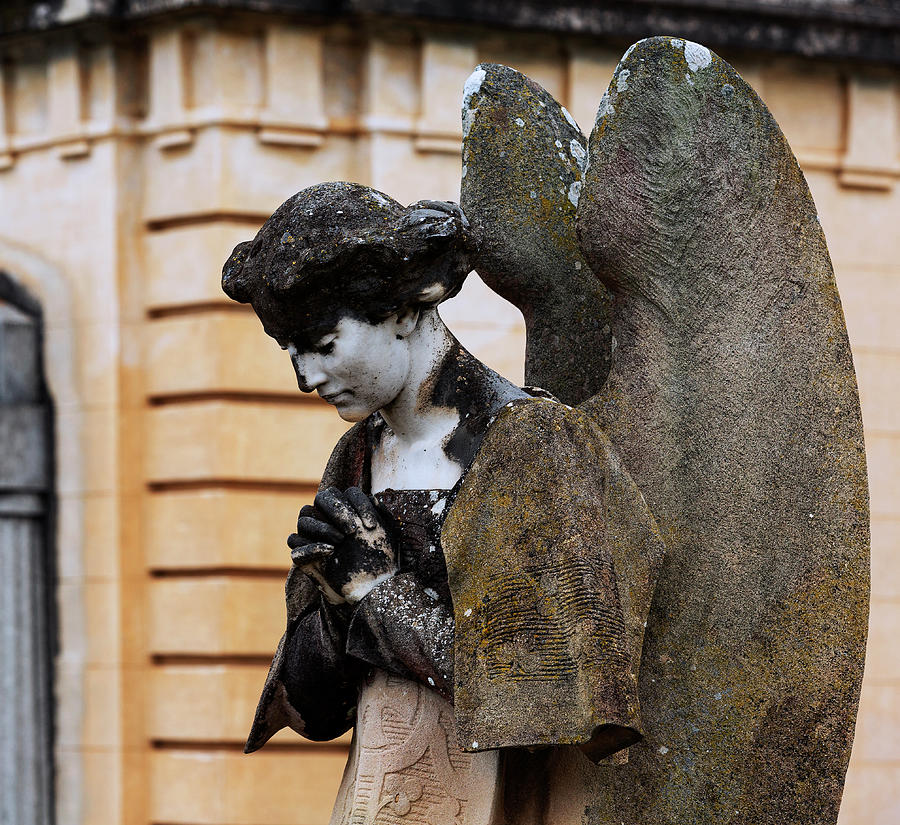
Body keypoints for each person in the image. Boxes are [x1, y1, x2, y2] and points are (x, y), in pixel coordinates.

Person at [221, 182, 665, 825]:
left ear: (404, 309)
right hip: (383, 791)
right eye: (290, 353)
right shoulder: (355, 458)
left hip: (504, 798)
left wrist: (376, 590)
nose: (306, 378)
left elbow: (553, 698)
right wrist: (329, 605)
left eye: (322, 345)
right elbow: (319, 708)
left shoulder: (532, 445)